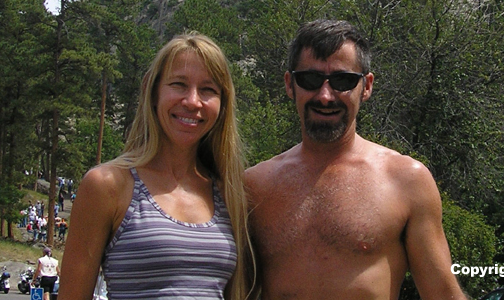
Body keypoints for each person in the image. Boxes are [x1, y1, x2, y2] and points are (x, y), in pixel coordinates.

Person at [245, 19, 468, 300]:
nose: (325, 96)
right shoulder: (254, 186)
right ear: (290, 84)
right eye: (311, 80)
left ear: (366, 86)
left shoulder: (405, 181)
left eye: (343, 81)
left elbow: (443, 294)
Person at [58, 33, 253, 300]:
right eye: (179, 84)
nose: (192, 101)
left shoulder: (229, 193)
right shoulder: (108, 185)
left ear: (222, 104)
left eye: (208, 90)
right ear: (152, 92)